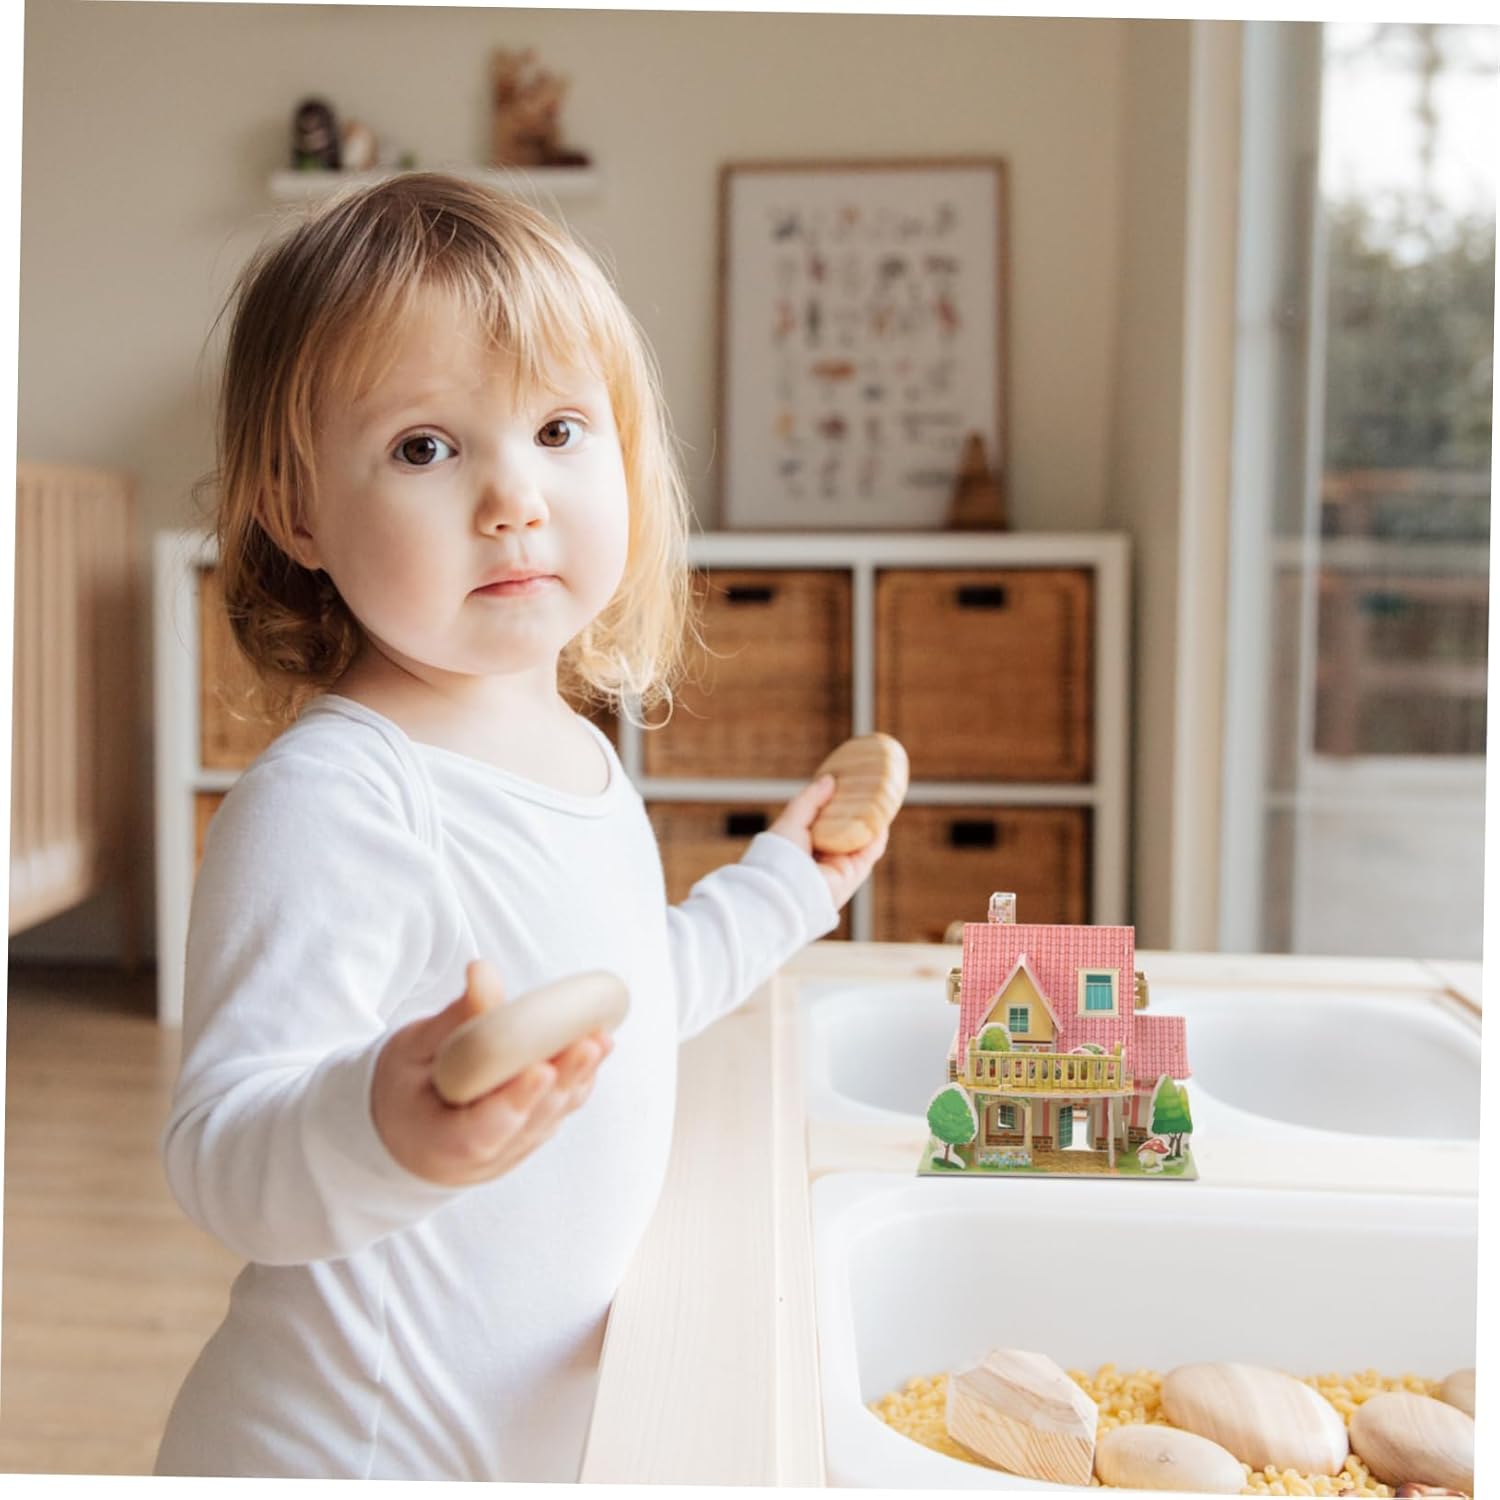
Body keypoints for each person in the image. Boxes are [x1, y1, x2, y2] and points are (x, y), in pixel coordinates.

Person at [155, 171, 887, 1481]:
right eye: (424, 448)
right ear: (298, 508)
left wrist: (789, 883)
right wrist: (382, 1128)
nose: (513, 497)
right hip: (349, 1459)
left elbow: (621, 998)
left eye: (558, 429)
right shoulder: (338, 801)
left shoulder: (574, 752)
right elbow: (220, 1152)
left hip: (522, 1444)